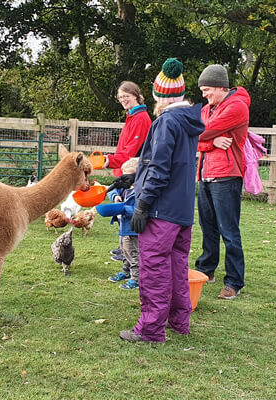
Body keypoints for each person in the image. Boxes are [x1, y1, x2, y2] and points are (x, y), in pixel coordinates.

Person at [119, 58, 205, 343]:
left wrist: (143, 203)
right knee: (177, 267)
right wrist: (134, 178)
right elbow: (171, 164)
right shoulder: (188, 121)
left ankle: (150, 329)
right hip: (181, 210)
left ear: (158, 95)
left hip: (161, 210)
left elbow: (160, 167)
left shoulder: (166, 122)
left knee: (154, 267)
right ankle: (179, 321)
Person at [194, 64, 251, 300]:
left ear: (220, 86)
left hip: (226, 175)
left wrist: (204, 137)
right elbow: (196, 138)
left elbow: (198, 130)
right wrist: (211, 143)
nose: (204, 95)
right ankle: (207, 269)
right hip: (205, 174)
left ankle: (234, 281)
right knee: (208, 227)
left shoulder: (236, 106)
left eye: (207, 89)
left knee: (229, 230)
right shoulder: (209, 108)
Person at [102, 81, 152, 260]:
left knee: (130, 210)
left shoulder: (141, 118)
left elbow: (131, 151)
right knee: (123, 209)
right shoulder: (132, 116)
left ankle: (130, 251)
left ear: (136, 96)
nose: (123, 99)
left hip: (133, 172)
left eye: (126, 96)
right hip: (124, 170)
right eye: (120, 97)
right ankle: (123, 246)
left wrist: (110, 161)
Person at [107, 158, 140, 290]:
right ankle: (126, 272)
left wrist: (123, 208)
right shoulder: (124, 188)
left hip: (133, 228)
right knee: (124, 250)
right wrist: (115, 197)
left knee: (133, 253)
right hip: (123, 226)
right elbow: (111, 191)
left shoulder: (140, 192)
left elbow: (139, 211)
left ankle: (136, 278)